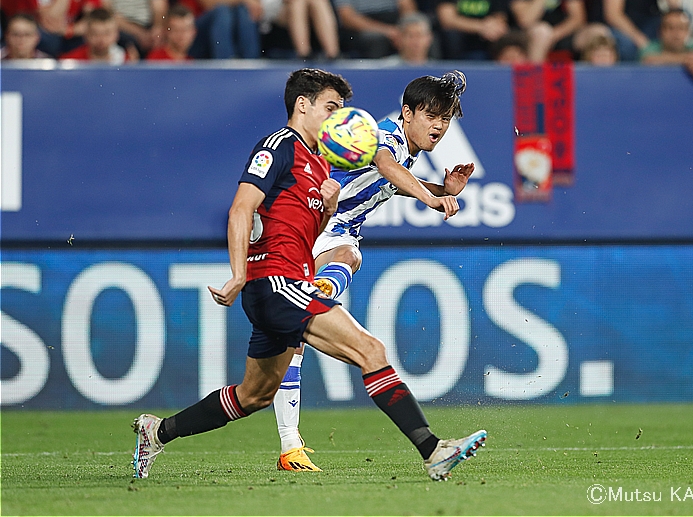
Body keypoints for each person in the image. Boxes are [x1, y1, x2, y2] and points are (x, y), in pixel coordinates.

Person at [131, 68, 486, 483]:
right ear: (303, 104)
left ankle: (157, 432)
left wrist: (330, 206)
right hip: (276, 281)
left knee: (254, 395)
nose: (339, 117)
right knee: (369, 350)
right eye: (331, 107)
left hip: (283, 280)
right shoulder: (279, 146)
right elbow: (241, 209)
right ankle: (432, 450)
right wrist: (237, 273)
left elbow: (309, 223)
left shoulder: (318, 161)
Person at [269, 71, 476, 472]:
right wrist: (430, 201)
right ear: (407, 112)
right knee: (348, 258)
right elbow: (384, 165)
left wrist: (441, 188)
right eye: (431, 115)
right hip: (317, 226)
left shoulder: (405, 149)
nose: (439, 125)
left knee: (286, 351)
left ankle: (288, 446)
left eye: (446, 118)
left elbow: (393, 179)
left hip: (327, 230)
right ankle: (318, 292)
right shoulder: (385, 134)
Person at [507, 0, 612, 63]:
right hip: (529, 34)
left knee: (598, 32)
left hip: (559, 33)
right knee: (542, 32)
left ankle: (596, 84)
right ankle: (537, 85)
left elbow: (578, 18)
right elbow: (526, 20)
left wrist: (554, 35)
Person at [0, 0, 103, 57]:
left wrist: (70, 30)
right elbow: (51, 20)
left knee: (98, 34)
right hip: (40, 29)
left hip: (70, 31)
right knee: (50, 40)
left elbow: (94, 17)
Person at [330, 0, 417, 59]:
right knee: (375, 40)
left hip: (394, 21)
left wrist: (405, 31)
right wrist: (389, 32)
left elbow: (406, 4)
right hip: (360, 27)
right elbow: (347, 16)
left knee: (419, 35)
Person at [176, 0, 262, 59]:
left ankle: (251, 63)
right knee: (222, 11)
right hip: (195, 31)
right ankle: (225, 63)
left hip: (227, 27)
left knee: (243, 10)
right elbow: (208, 3)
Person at [256, 0, 340, 60]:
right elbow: (266, 7)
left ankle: (333, 54)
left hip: (311, 7)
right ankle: (304, 54)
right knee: (297, 3)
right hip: (279, 12)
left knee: (318, 1)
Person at [601, 0, 680, 62]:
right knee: (627, 46)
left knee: (678, 25)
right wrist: (640, 40)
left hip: (650, 24)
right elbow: (613, 15)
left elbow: (674, 3)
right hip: (622, 28)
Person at [432, 0, 511, 61]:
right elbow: (447, 20)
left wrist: (493, 26)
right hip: (459, 35)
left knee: (502, 32)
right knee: (452, 35)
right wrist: (481, 27)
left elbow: (500, 16)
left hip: (486, 36)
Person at [640, 8, 693, 84]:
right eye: (670, 28)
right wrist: (688, 61)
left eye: (681, 28)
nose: (676, 33)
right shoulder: (651, 48)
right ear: (660, 31)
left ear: (688, 32)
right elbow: (648, 60)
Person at [95, 0, 169, 57]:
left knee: (166, 35)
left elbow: (159, 7)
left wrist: (158, 27)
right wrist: (139, 33)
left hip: (149, 25)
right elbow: (108, 12)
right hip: (121, 27)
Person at [60, 7, 137, 63]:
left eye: (107, 34)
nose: (101, 39)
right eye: (95, 34)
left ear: (116, 34)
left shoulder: (126, 61)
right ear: (86, 34)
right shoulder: (71, 62)